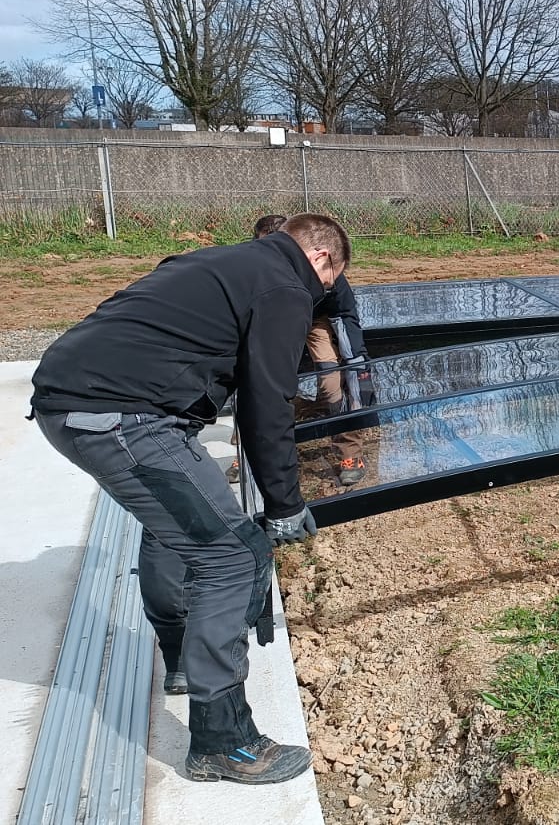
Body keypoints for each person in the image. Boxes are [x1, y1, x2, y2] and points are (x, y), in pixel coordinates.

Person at [29, 213, 350, 785]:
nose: (322, 295)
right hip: (118, 417)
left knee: (181, 528)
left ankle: (182, 660)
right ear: (321, 259)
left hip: (82, 400)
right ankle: (223, 742)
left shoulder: (223, 262)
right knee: (233, 553)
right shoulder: (284, 284)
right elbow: (268, 401)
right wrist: (281, 503)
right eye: (328, 283)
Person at [250, 214, 371, 488]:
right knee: (260, 383)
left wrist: (358, 364)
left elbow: (347, 314)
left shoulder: (329, 275)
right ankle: (246, 454)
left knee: (333, 382)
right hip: (272, 319)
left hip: (315, 319)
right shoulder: (252, 270)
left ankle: (349, 452)